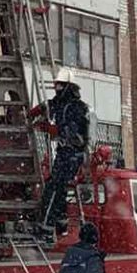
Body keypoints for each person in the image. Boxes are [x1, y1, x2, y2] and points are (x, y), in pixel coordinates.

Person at [33, 72, 90, 235]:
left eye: (59, 85)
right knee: (58, 187)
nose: (56, 89)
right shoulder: (61, 103)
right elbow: (49, 105)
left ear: (68, 87)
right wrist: (33, 112)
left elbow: (73, 133)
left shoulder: (77, 108)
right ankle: (60, 221)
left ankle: (47, 223)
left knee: (54, 186)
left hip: (73, 155)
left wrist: (51, 129)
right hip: (64, 153)